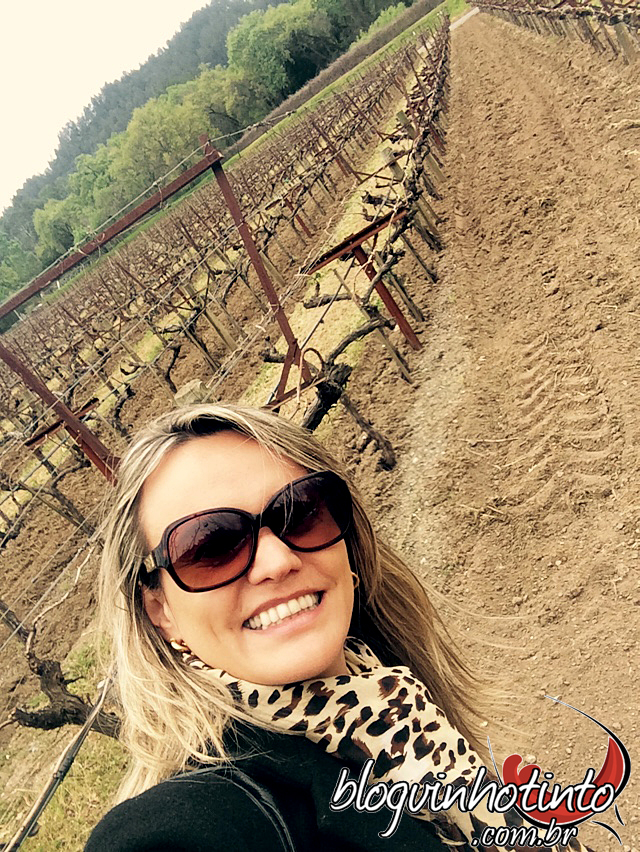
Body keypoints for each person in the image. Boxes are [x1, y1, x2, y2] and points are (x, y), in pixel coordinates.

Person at [86, 403, 587, 852]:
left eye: (301, 511)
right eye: (210, 547)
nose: (277, 561)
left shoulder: (395, 701)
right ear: (161, 609)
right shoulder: (211, 818)